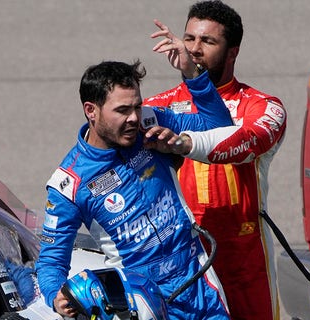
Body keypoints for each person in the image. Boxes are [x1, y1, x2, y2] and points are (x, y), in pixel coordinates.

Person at [35, 37, 234, 319]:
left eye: (136, 106)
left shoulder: (151, 123)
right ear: (91, 110)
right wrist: (56, 296)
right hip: (143, 302)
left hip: (198, 281)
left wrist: (192, 75)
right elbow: (51, 259)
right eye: (122, 110)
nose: (133, 118)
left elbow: (221, 129)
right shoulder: (69, 183)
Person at [144, 1, 287, 319]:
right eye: (189, 38)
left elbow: (237, 141)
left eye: (207, 41)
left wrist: (182, 142)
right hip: (181, 257)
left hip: (244, 259)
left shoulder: (263, 107)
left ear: (233, 51)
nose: (193, 49)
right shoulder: (156, 107)